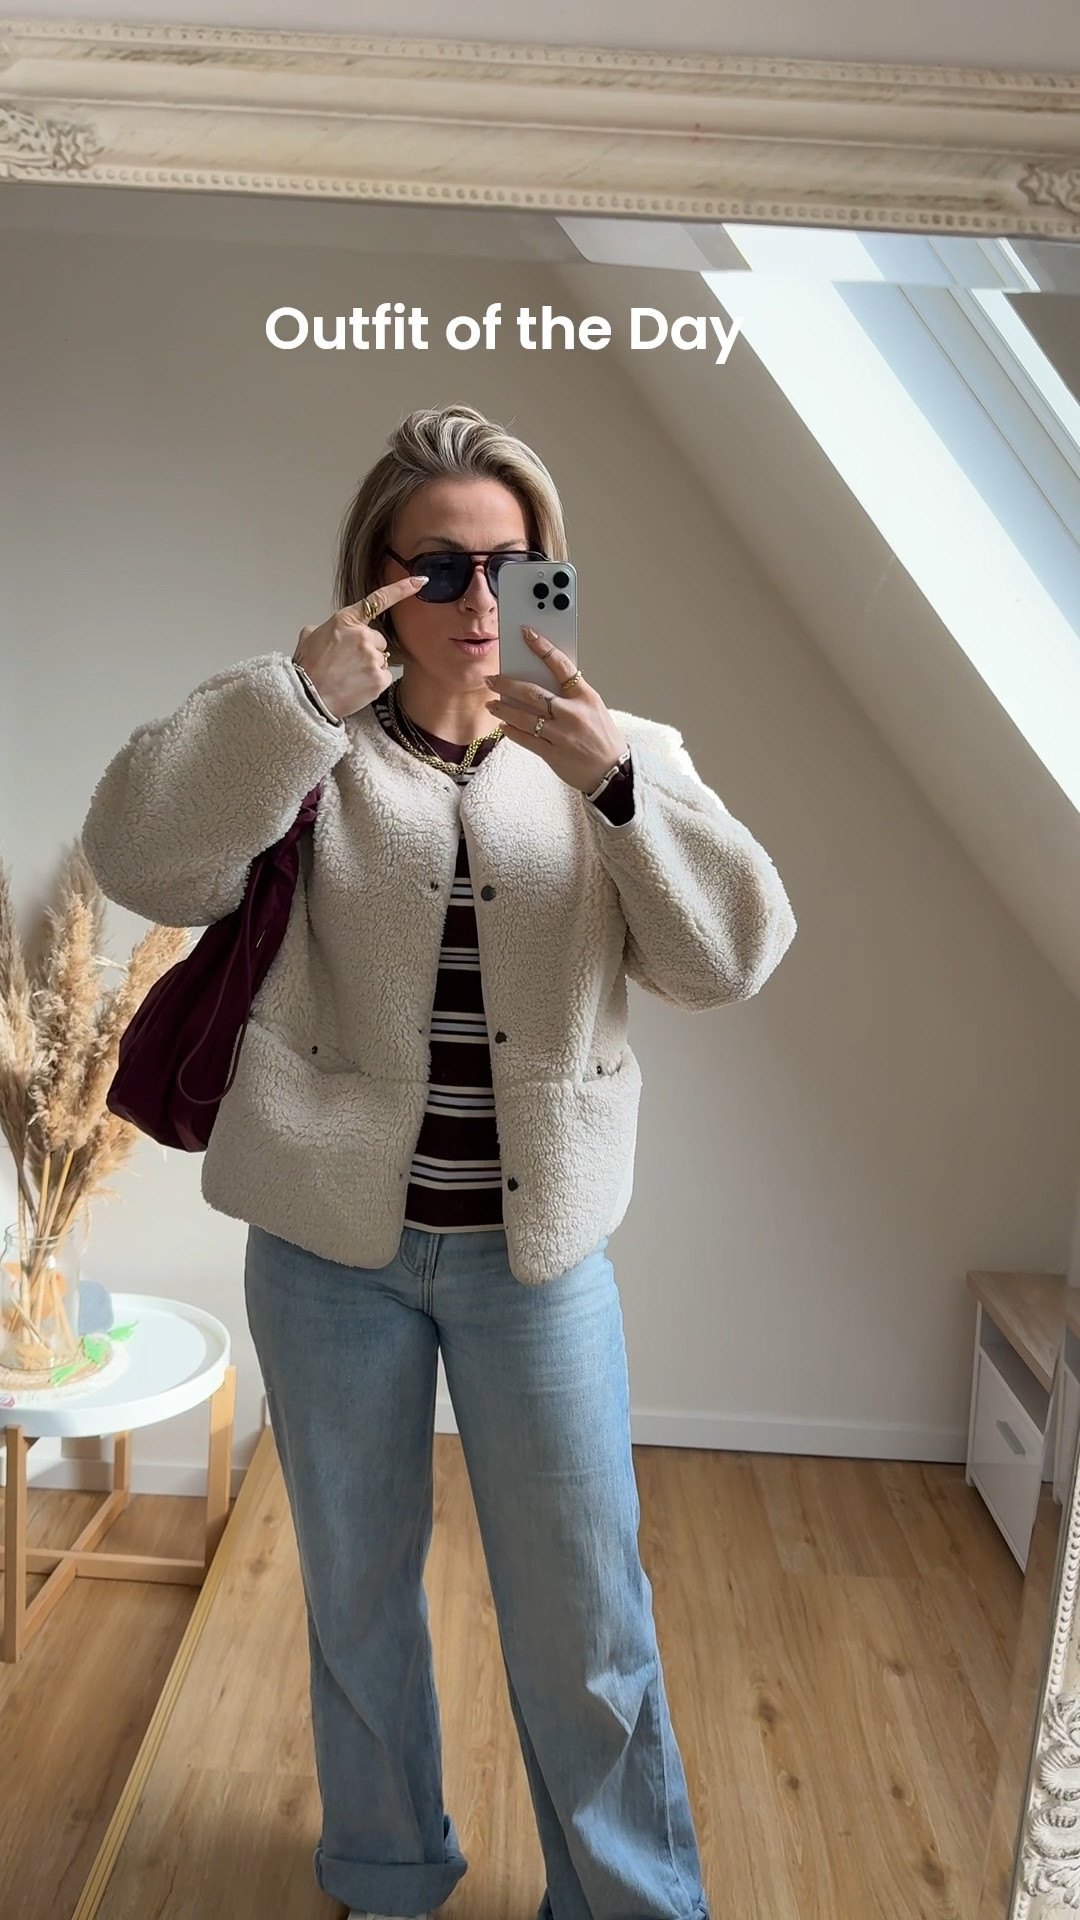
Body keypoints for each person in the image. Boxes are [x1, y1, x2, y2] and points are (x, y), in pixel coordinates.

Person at [82, 403, 797, 1920]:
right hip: (330, 1256)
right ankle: (387, 1877)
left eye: (515, 567)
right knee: (354, 1597)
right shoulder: (304, 745)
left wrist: (616, 791)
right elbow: (143, 853)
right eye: (444, 569)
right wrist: (289, 695)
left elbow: (733, 952)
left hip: (537, 1264)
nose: (481, 605)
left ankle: (625, 1901)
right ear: (377, 583)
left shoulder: (620, 750)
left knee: (586, 1617)